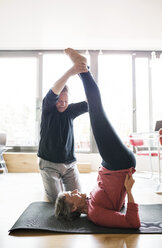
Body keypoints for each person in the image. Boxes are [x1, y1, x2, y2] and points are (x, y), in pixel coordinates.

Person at [55, 48, 141, 229]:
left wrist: (121, 196)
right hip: (119, 164)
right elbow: (132, 223)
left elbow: (117, 202)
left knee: (95, 113)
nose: (76, 190)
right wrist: (129, 191)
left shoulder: (89, 201)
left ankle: (82, 69)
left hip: (111, 163)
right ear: (73, 209)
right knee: (96, 112)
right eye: (72, 194)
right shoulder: (95, 214)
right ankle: (82, 69)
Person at [38, 62, 88, 203]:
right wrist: (71, 72)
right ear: (54, 101)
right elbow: (54, 91)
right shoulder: (48, 109)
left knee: (79, 201)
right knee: (58, 203)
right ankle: (48, 191)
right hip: (49, 164)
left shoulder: (70, 110)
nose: (63, 104)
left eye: (66, 101)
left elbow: (91, 101)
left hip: (69, 165)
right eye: (59, 101)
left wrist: (85, 75)